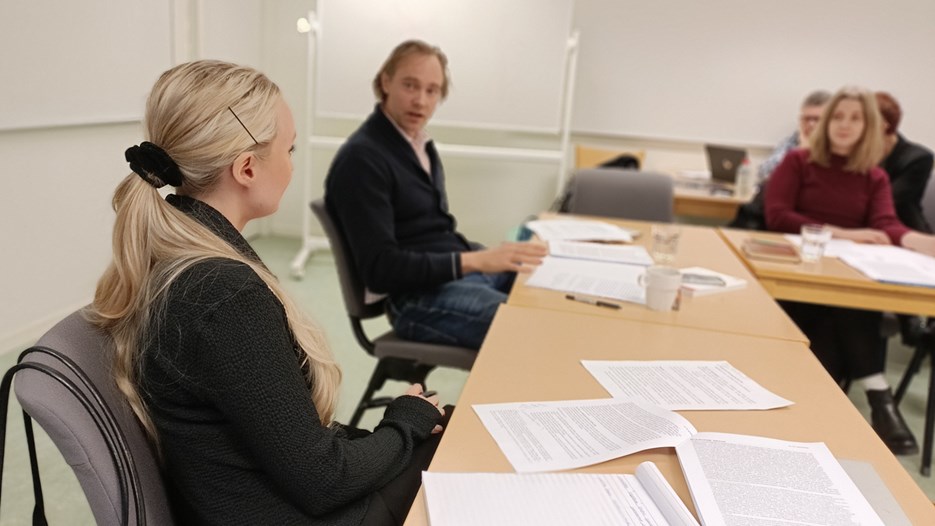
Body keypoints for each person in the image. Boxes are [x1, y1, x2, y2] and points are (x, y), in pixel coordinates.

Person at [88, 60, 447, 526]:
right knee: (459, 441)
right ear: (246, 168)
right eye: (289, 148)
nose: (293, 164)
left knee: (445, 424)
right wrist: (403, 423)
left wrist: (403, 423)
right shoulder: (222, 295)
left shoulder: (181, 250)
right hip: (298, 511)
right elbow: (324, 481)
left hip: (259, 493)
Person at [324, 40, 547, 350]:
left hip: (454, 279)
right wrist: (477, 259)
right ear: (385, 82)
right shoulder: (363, 159)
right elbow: (380, 269)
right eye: (410, 85)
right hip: (415, 299)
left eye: (432, 91)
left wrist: (486, 256)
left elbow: (433, 231)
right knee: (530, 325)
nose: (420, 100)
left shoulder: (420, 145)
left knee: (543, 275)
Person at [764, 86, 935, 456]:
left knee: (845, 313)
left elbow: (886, 224)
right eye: (838, 116)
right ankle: (879, 397)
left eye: (855, 118)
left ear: (868, 126)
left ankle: (813, 431)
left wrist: (922, 243)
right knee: (849, 316)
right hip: (798, 281)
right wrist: (845, 233)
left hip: (841, 288)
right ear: (826, 122)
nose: (845, 125)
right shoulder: (798, 161)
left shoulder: (874, 176)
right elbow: (777, 215)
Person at [728, 90, 831, 229]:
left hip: (803, 222)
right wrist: (801, 148)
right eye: (806, 119)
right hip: (768, 214)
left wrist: (805, 152)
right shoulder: (794, 140)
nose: (811, 125)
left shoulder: (835, 149)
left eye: (817, 119)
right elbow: (766, 172)